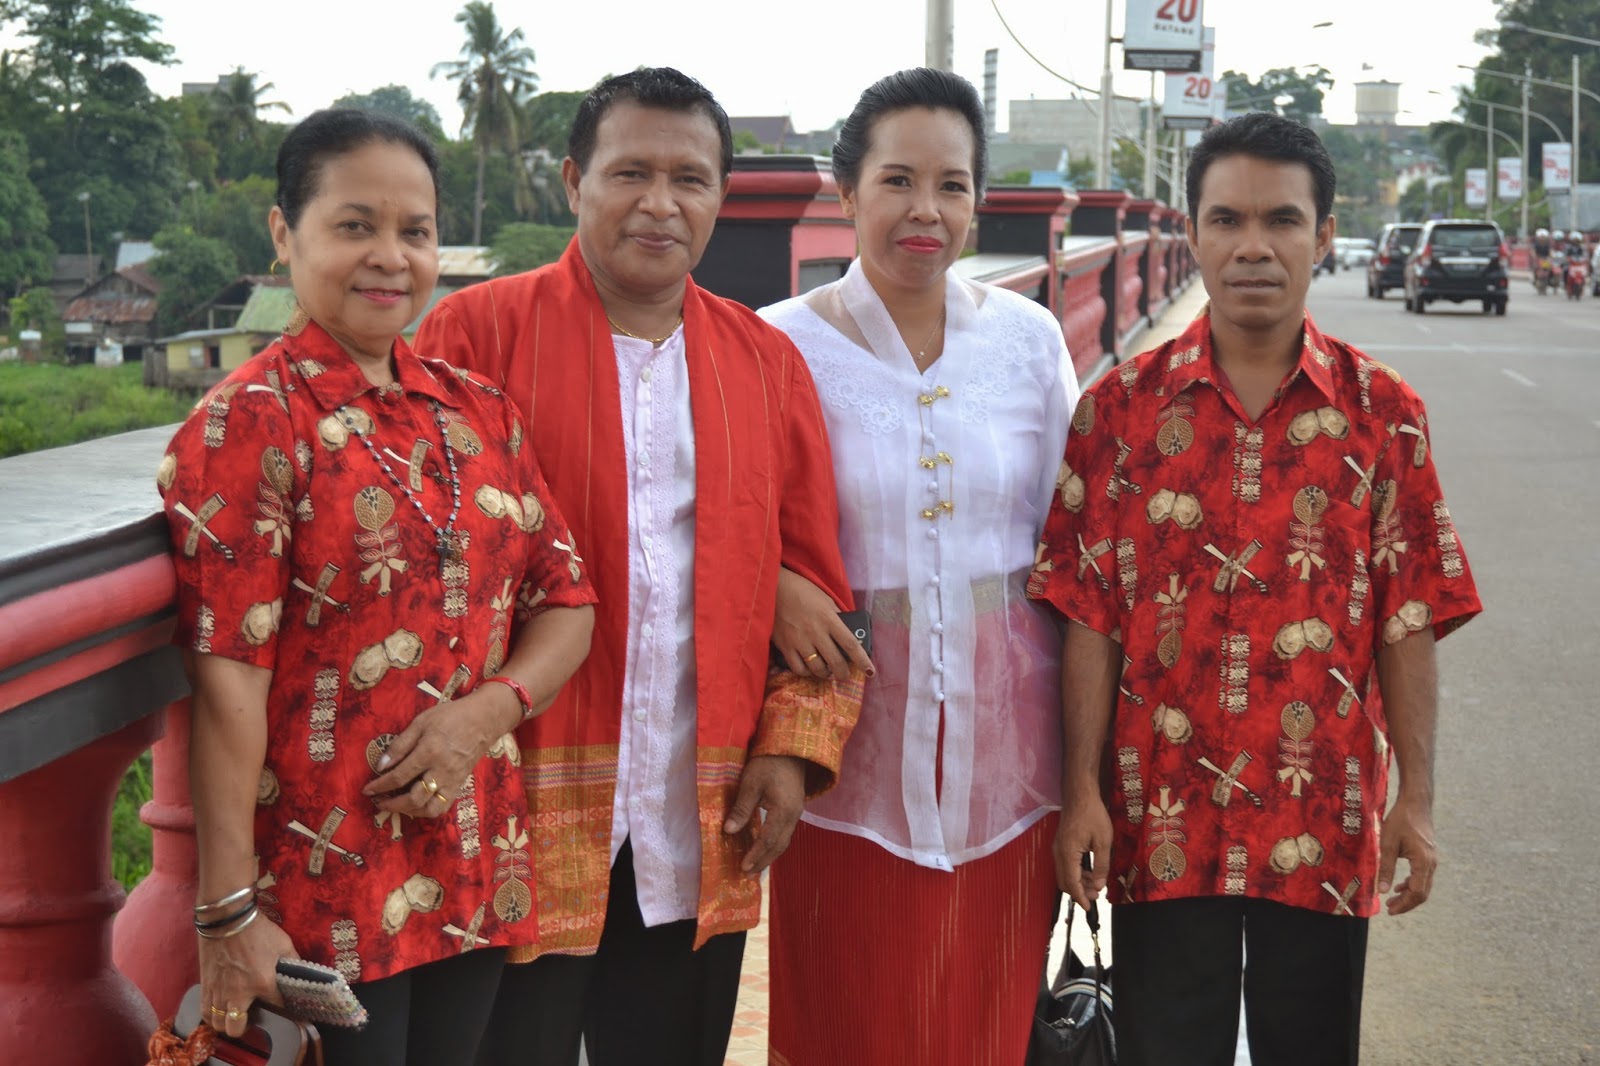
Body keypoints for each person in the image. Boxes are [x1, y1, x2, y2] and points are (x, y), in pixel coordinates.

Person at [411, 67, 863, 1066]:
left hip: (698, 811)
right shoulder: (472, 337)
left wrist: (788, 755)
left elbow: (819, 578)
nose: (661, 202)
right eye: (630, 172)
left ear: (719, 200)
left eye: (690, 179)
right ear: (574, 179)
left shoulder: (763, 362)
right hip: (514, 807)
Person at [1029, 111, 1482, 1066]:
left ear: (1324, 235)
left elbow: (1408, 618)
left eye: (1281, 220)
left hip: (1320, 820)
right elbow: (1089, 614)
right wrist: (1080, 793)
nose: (1253, 247)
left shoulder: (1382, 415)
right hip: (1158, 817)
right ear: (1190, 232)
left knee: (1312, 1049)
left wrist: (1418, 798)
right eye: (1226, 219)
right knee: (1163, 1049)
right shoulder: (1117, 411)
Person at [157, 109, 597, 1063]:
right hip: (319, 883)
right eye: (355, 225)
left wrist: (488, 712)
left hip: (472, 854)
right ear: (285, 234)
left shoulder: (476, 410)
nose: (389, 257)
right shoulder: (250, 425)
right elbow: (228, 683)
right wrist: (227, 911)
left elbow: (566, 599)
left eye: (415, 231)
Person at [758, 68, 1080, 1065]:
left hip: (1010, 753)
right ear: (845, 190)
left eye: (952, 184)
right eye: (897, 181)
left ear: (978, 199)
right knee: (847, 1018)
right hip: (839, 755)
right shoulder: (778, 346)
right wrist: (777, 586)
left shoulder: (1027, 343)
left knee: (985, 1019)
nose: (924, 211)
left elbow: (1078, 545)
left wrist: (1091, 765)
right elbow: (720, 523)